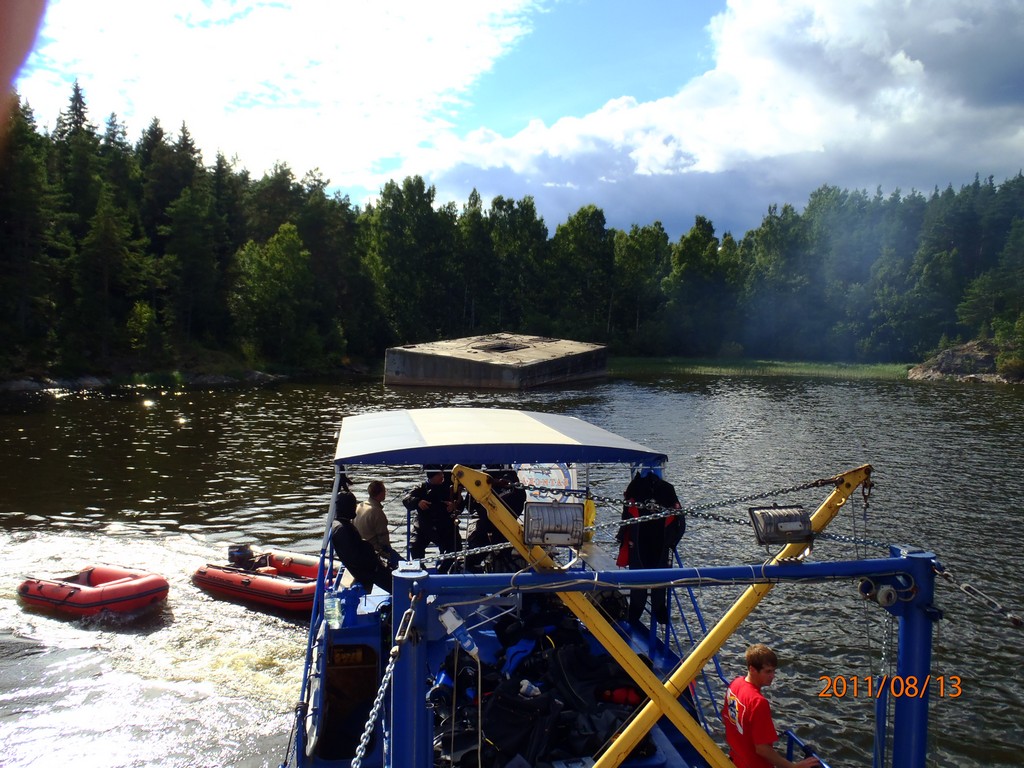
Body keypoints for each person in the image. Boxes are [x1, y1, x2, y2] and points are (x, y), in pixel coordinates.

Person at [721, 644, 821, 768]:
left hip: (736, 758)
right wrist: (792, 766)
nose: (773, 676)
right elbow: (762, 749)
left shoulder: (735, 684)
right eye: (768, 671)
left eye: (774, 671)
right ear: (752, 669)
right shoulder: (758, 702)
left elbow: (726, 718)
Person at [615, 469, 683, 624]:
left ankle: (637, 617)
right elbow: (681, 523)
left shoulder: (641, 487)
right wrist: (673, 542)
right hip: (654, 544)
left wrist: (622, 537)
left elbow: (625, 517)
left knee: (643, 585)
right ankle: (650, 613)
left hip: (645, 543)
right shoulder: (643, 488)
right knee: (653, 585)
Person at [330, 488, 392, 593]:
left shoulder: (340, 525)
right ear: (348, 507)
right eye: (353, 505)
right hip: (366, 571)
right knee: (395, 581)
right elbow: (356, 559)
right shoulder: (343, 530)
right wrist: (376, 561)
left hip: (365, 566)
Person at [402, 466, 462, 573]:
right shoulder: (421, 488)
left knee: (455, 546)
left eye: (442, 473)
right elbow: (406, 499)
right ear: (432, 476)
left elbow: (461, 503)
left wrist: (454, 506)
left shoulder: (449, 488)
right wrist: (418, 502)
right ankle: (421, 570)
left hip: (445, 525)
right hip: (424, 525)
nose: (442, 476)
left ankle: (443, 570)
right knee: (415, 545)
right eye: (438, 474)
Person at [465, 468, 526, 572]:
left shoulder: (481, 480)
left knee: (475, 555)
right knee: (503, 553)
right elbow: (520, 503)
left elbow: (470, 507)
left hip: (490, 526)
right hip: (505, 526)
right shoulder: (514, 483)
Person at [354, 480, 401, 569]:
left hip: (358, 547)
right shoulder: (377, 512)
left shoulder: (359, 506)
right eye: (384, 490)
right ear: (381, 493)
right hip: (373, 550)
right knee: (403, 563)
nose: (386, 493)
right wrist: (390, 555)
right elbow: (384, 541)